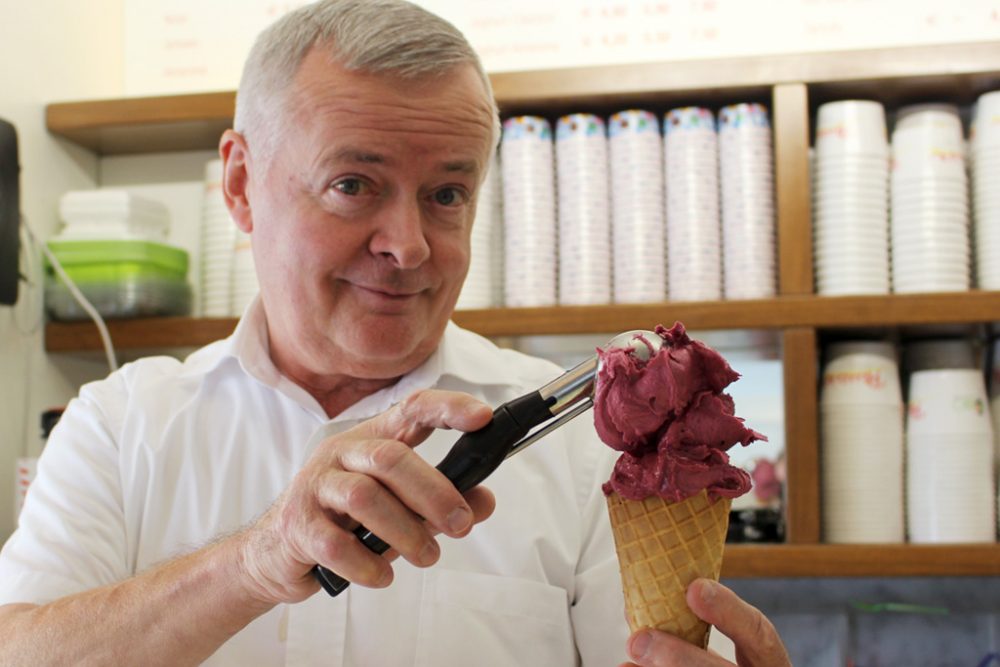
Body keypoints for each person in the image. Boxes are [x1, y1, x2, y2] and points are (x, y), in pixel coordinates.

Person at [0, 1, 791, 665]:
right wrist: (255, 559)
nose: (408, 245)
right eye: (353, 185)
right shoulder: (116, 427)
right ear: (242, 184)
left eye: (447, 193)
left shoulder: (589, 451)